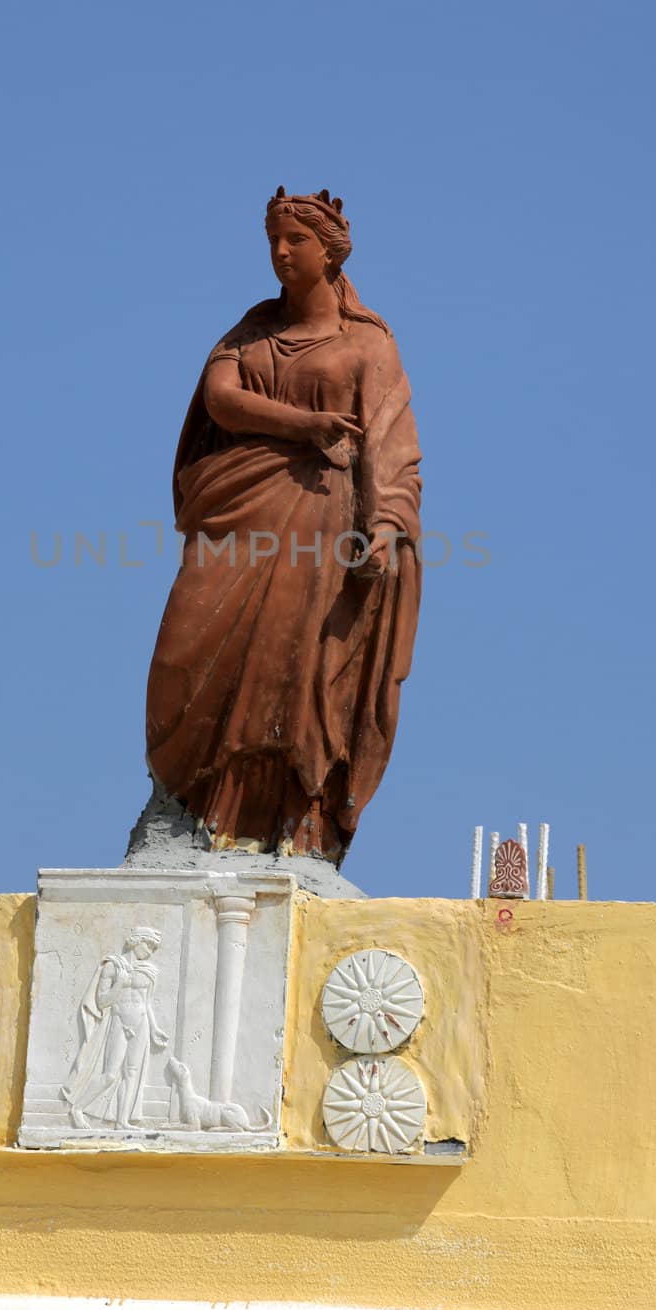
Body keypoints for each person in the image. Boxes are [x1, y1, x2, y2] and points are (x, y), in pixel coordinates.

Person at [145, 187, 422, 866]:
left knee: (301, 673)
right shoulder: (249, 331)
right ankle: (179, 809)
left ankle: (295, 824)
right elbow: (221, 400)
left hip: (324, 526)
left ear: (328, 251)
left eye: (293, 240)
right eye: (271, 239)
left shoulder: (367, 343)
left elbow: (390, 443)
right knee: (185, 654)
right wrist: (306, 425)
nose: (278, 253)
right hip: (236, 518)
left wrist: (383, 527)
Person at [61, 926, 169, 1128]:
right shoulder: (113, 966)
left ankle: (122, 1120)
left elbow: (147, 1003)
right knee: (111, 1074)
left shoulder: (148, 971)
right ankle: (77, 1108)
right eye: (149, 945)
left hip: (142, 1022)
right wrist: (120, 983)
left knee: (131, 1073)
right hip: (119, 1021)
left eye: (154, 948)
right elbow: (102, 1002)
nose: (150, 951)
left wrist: (154, 1029)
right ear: (136, 941)